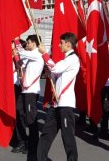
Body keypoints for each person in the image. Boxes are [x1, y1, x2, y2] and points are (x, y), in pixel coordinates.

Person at [36, 32, 81, 161]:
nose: (59, 45)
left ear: (68, 44)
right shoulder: (64, 60)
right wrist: (50, 74)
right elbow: (55, 74)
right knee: (46, 134)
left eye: (61, 43)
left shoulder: (73, 59)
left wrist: (44, 53)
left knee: (68, 137)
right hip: (56, 104)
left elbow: (55, 69)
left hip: (66, 105)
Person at [12, 34, 45, 155]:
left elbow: (21, 51)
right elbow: (20, 64)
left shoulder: (37, 54)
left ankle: (33, 144)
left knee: (31, 118)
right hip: (24, 89)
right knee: (19, 112)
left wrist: (16, 40)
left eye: (28, 42)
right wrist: (16, 58)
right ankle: (23, 140)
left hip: (31, 91)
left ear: (34, 43)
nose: (27, 44)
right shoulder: (30, 55)